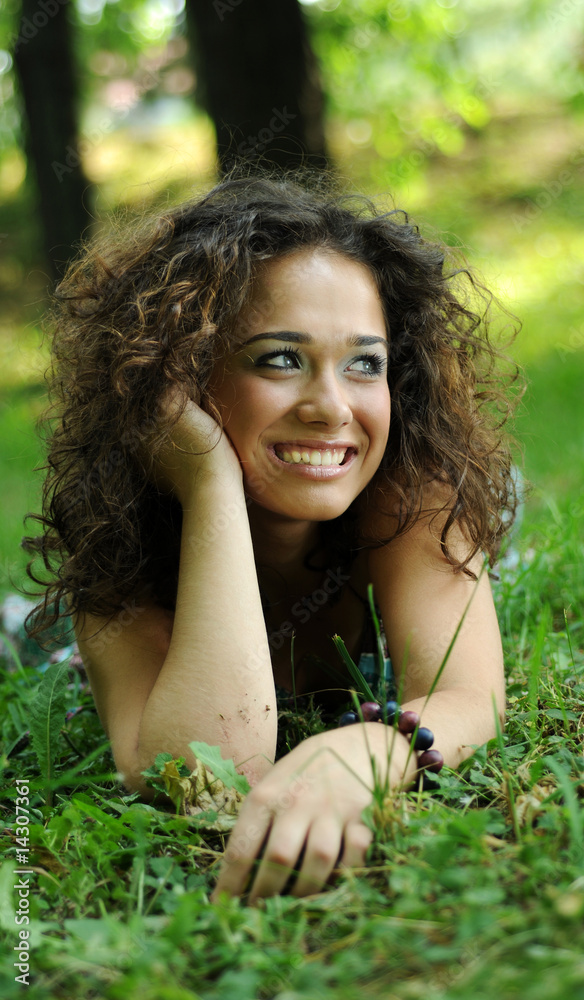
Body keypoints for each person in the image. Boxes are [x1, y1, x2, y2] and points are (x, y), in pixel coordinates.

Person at [24, 171, 520, 903]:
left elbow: (468, 694)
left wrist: (368, 750)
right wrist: (210, 482)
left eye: (365, 363)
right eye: (281, 358)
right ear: (177, 378)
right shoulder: (120, 539)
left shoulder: (411, 492)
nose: (331, 407)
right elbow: (204, 770)